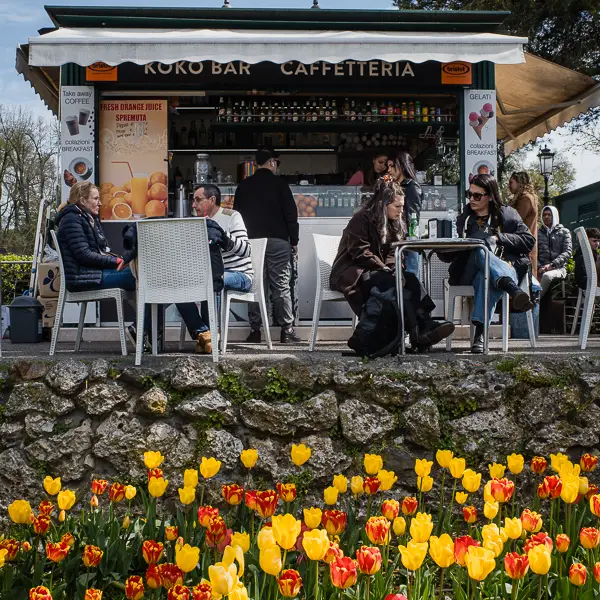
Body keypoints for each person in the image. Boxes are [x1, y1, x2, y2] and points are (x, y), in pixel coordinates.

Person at [330, 179, 454, 353]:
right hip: (353, 271)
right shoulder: (361, 218)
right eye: (397, 206)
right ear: (383, 204)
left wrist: (395, 270)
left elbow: (392, 253)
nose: (401, 211)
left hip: (376, 270)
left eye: (402, 206)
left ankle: (424, 324)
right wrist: (387, 270)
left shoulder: (394, 224)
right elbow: (360, 252)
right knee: (390, 283)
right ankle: (417, 332)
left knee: (409, 279)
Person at [439, 174, 535, 354]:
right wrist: (448, 245)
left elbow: (529, 240)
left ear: (490, 196)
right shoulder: (463, 219)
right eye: (469, 194)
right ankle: (511, 288)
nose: (471, 199)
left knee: (488, 278)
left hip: (506, 266)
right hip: (470, 271)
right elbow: (447, 257)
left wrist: (499, 238)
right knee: (480, 248)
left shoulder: (506, 214)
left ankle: (479, 337)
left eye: (477, 195)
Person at [176, 184, 253, 354]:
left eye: (198, 200)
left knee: (212, 279)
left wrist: (224, 238)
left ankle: (208, 334)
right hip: (209, 275)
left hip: (240, 275)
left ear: (212, 200)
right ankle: (204, 333)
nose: (193, 205)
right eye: (192, 201)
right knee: (177, 284)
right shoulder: (196, 222)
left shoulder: (231, 216)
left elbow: (246, 250)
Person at [234, 147, 300, 344]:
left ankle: (256, 330)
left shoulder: (244, 186)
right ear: (272, 162)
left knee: (255, 287)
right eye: (276, 163)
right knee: (280, 285)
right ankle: (286, 330)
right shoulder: (280, 184)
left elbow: (236, 215)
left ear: (256, 164)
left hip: (252, 242)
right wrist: (294, 241)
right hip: (278, 241)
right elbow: (291, 214)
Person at [56, 181, 136, 292]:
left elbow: (100, 251)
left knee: (137, 272)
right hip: (82, 278)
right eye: (95, 199)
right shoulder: (71, 220)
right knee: (137, 276)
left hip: (93, 274)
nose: (100, 203)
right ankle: (146, 310)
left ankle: (141, 310)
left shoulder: (88, 218)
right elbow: (84, 255)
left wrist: (122, 260)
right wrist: (116, 261)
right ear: (83, 201)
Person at [386, 150, 423, 276]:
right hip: (399, 241)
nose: (389, 170)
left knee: (410, 278)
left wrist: (406, 238)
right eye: (388, 166)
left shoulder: (412, 187)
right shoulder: (396, 186)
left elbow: (413, 217)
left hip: (407, 243)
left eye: (392, 166)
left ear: (401, 166)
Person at [537, 205, 572, 296]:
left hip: (559, 268)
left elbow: (567, 252)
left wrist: (552, 265)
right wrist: (539, 267)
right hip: (540, 269)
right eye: (544, 215)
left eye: (549, 215)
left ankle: (534, 303)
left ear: (555, 216)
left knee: (546, 276)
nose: (546, 217)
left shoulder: (564, 232)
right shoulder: (537, 233)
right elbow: (533, 253)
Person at [508, 171, 539, 276]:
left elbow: (515, 221)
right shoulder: (528, 197)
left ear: (519, 182)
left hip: (524, 244)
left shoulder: (525, 198)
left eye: (511, 182)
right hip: (526, 243)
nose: (509, 186)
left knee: (526, 278)